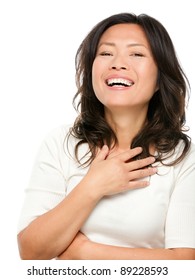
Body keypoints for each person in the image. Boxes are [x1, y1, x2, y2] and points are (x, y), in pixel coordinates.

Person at [17, 12, 195, 260]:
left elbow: (185, 261)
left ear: (159, 79)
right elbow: (31, 251)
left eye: (137, 54)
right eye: (106, 53)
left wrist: (84, 251)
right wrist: (93, 186)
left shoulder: (182, 157)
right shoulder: (61, 143)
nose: (118, 63)